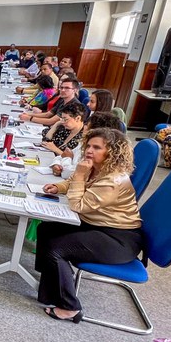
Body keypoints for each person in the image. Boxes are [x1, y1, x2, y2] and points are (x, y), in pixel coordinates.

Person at [38, 128, 143, 322]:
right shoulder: (95, 167)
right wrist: (58, 187)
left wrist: (78, 175)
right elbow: (72, 182)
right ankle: (51, 286)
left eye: (97, 147)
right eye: (89, 145)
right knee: (46, 229)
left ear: (111, 152)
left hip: (119, 238)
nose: (89, 150)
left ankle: (70, 307)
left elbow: (79, 205)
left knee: (56, 249)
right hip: (96, 225)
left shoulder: (114, 180)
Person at [51, 111, 123, 178]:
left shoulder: (97, 153)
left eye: (87, 127)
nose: (84, 128)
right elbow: (63, 155)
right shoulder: (84, 143)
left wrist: (67, 159)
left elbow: (70, 174)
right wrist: (56, 164)